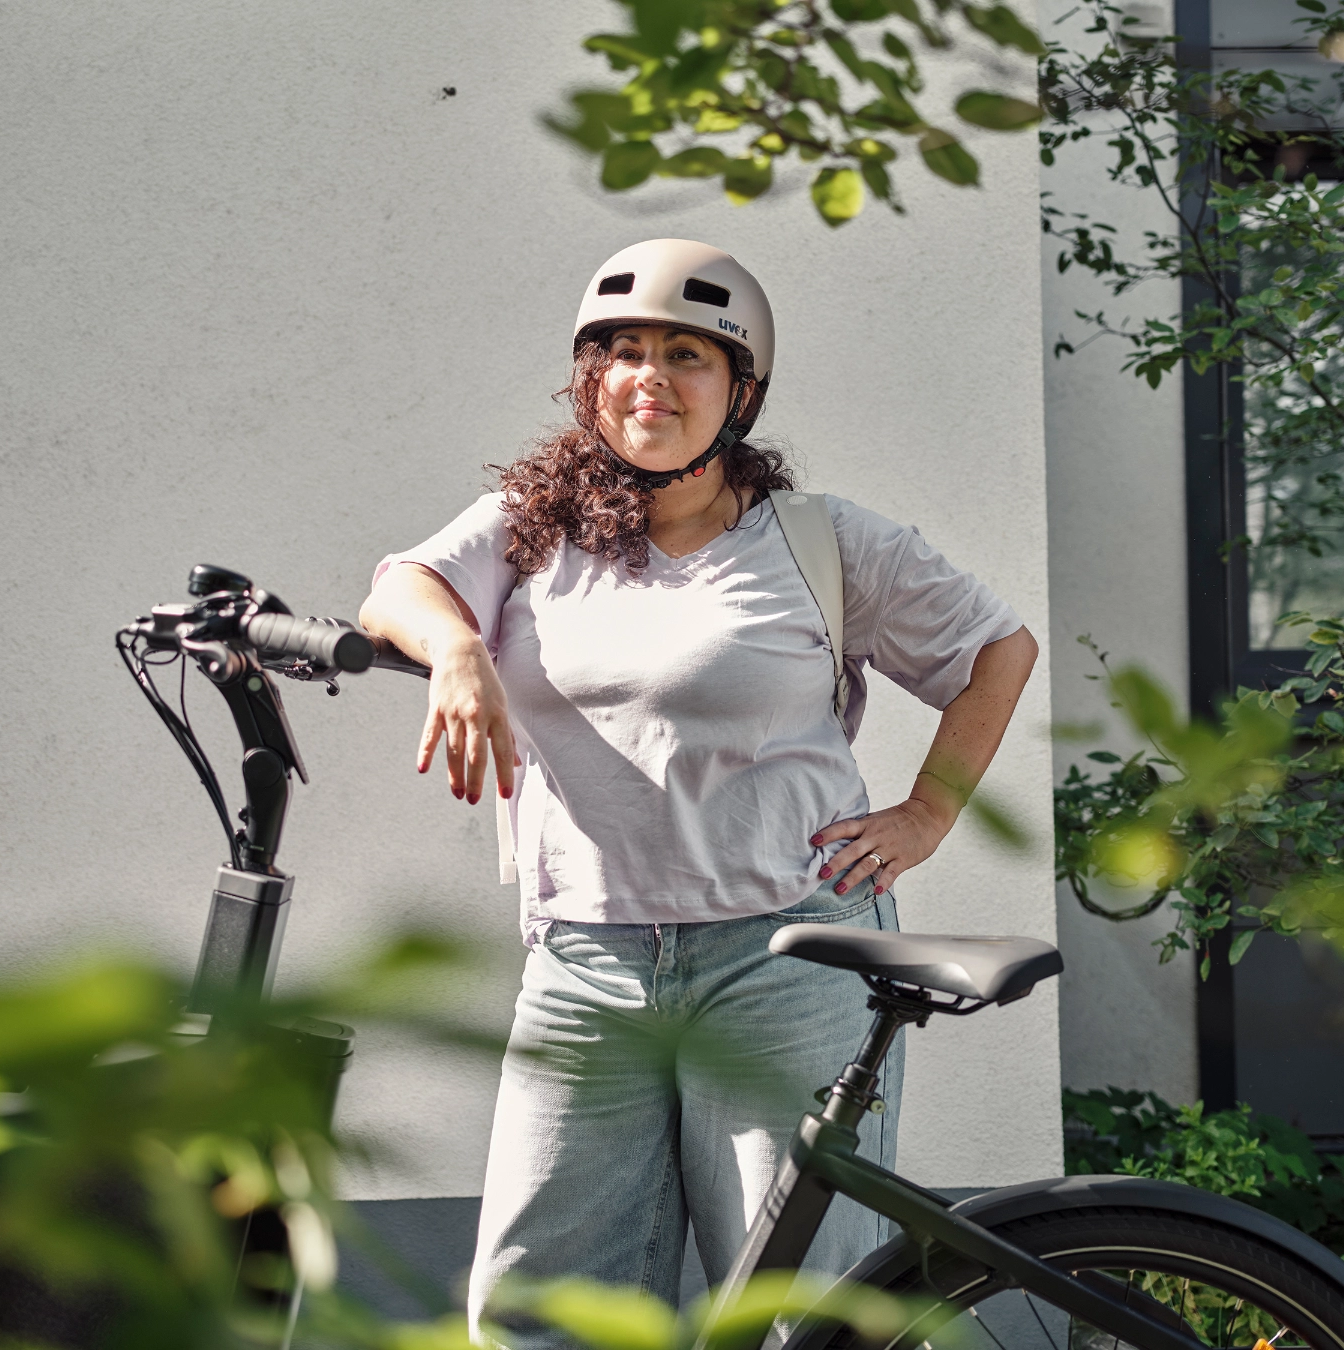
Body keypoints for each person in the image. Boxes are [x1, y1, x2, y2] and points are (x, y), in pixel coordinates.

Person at [357, 239, 1037, 1338]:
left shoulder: (819, 542)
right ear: (591, 379)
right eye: (624, 352)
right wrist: (457, 650)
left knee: (800, 1314)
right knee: (540, 1311)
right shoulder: (533, 532)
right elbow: (402, 586)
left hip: (791, 953)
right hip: (587, 962)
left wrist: (928, 813)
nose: (651, 378)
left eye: (687, 356)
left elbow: (997, 649)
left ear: (741, 392)